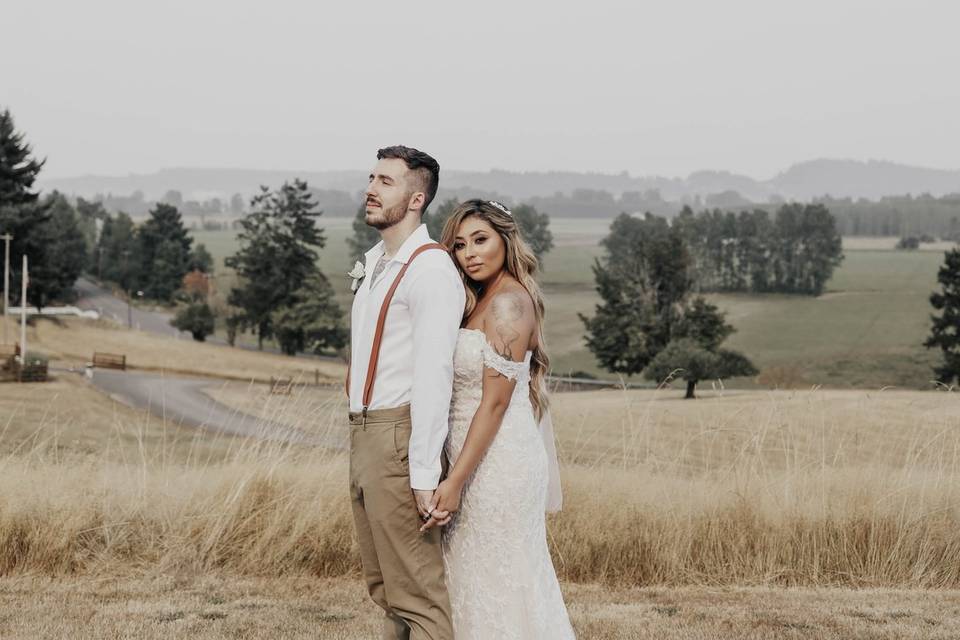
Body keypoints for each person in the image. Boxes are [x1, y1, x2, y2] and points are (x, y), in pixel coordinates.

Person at [426, 199, 576, 639]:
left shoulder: (509, 303)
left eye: (480, 240)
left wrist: (454, 481)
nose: (470, 253)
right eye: (459, 245)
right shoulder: (477, 300)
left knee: (503, 580)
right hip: (470, 454)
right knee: (470, 578)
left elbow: (493, 404)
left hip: (497, 464)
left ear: (505, 240)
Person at [347, 145, 465, 640]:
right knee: (385, 586)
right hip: (363, 433)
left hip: (398, 435)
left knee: (417, 594)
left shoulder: (430, 269)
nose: (371, 189)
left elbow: (434, 375)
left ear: (417, 199)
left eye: (386, 182)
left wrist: (422, 472)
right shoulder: (376, 262)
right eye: (372, 178)